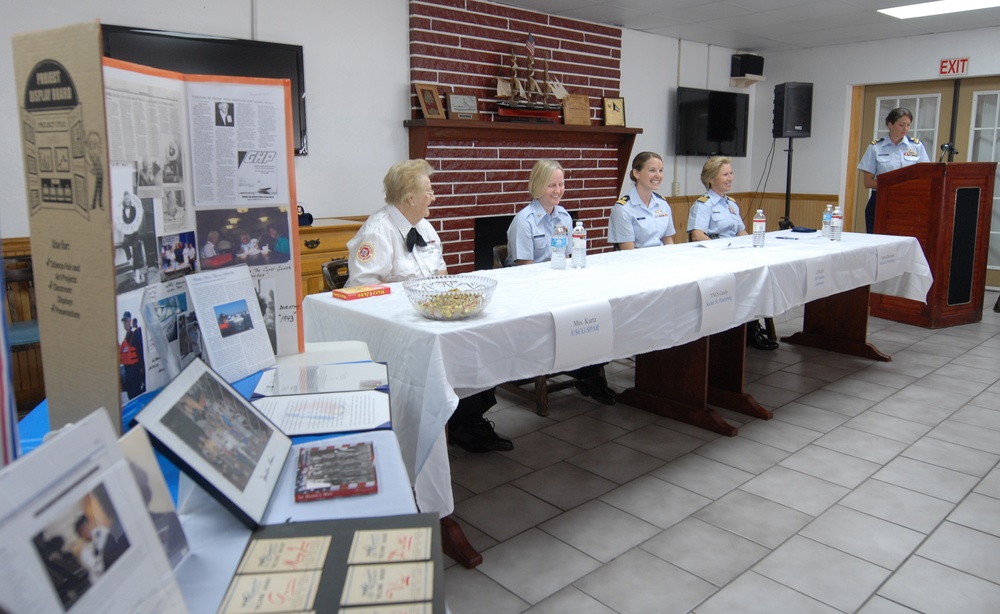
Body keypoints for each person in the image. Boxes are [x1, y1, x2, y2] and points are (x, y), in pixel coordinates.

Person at [346, 159, 510, 453]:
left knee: (480, 341)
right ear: (410, 197)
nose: (433, 197)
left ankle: (467, 421)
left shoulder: (424, 227)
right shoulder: (377, 232)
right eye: (429, 191)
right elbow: (364, 289)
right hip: (391, 329)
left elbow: (441, 274)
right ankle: (435, 428)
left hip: (427, 319)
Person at [505, 159, 617, 404]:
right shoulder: (524, 221)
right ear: (537, 186)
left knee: (596, 312)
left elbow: (568, 258)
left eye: (561, 184)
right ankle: (583, 371)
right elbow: (525, 270)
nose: (558, 190)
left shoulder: (565, 217)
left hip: (559, 286)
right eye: (551, 185)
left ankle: (589, 372)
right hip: (532, 291)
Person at [688, 157, 778, 351]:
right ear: (711, 179)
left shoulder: (731, 204)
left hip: (735, 256)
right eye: (725, 174)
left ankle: (751, 326)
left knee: (758, 279)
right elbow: (697, 235)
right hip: (717, 259)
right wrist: (720, 251)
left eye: (731, 173)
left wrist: (756, 246)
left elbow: (741, 232)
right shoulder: (703, 205)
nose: (730, 178)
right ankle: (749, 328)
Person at [857, 107, 930, 233]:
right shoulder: (876, 147)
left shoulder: (916, 146)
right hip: (881, 200)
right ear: (890, 124)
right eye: (901, 125)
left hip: (909, 202)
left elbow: (925, 177)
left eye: (908, 125)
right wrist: (894, 185)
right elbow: (868, 182)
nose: (905, 129)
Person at [608, 151, 675, 249]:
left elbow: (668, 242)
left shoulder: (662, 204)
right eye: (652, 170)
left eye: (660, 170)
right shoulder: (623, 209)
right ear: (636, 173)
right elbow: (628, 252)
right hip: (639, 261)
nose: (658, 175)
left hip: (663, 260)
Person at [120, 311, 146, 399]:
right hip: (128, 372)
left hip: (135, 370)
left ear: (130, 320)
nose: (124, 324)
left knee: (136, 395)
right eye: (123, 322)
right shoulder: (124, 339)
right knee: (130, 396)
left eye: (126, 321)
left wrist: (142, 368)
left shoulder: (135, 334)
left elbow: (140, 350)